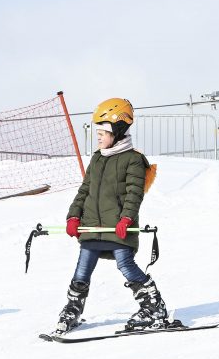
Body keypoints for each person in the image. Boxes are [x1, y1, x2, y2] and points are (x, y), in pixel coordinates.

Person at [53, 98, 167, 335]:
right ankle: (73, 308)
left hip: (118, 227)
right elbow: (85, 190)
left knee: (126, 265)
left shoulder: (133, 160)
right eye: (98, 133)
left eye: (103, 132)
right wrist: (73, 217)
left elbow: (133, 194)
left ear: (119, 130)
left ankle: (153, 307)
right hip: (92, 226)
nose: (99, 137)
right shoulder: (98, 158)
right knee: (82, 269)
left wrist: (126, 219)